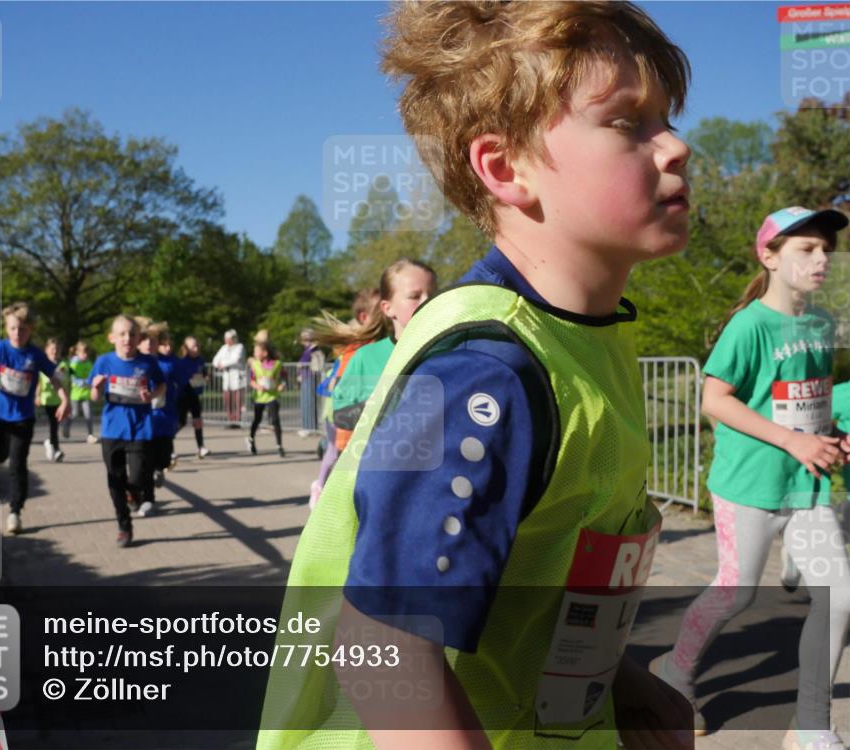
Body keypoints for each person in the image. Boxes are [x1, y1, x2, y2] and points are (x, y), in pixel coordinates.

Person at [257, 3, 696, 749]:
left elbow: (538, 582)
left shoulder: (584, 341)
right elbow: (382, 653)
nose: (677, 147)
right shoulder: (485, 375)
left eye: (668, 118)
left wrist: (623, 685)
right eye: (628, 122)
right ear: (504, 168)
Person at [651, 206, 850, 749]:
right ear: (769, 257)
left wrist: (831, 434)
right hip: (748, 486)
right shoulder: (749, 325)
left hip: (806, 486)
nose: (822, 259)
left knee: (838, 597)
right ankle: (675, 672)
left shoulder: (821, 323)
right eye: (806, 248)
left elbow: (806, 401)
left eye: (827, 250)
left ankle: (810, 725)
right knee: (735, 594)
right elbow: (714, 400)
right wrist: (791, 440)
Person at [0, 303, 69, 535]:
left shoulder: (35, 354)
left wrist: (64, 399)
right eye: (13, 328)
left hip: (23, 417)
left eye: (23, 329)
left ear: (31, 330)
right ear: (6, 329)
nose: (17, 333)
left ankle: (15, 512)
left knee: (17, 465)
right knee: (0, 457)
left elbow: (54, 377)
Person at [330, 260, 437, 453]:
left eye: (433, 294)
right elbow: (340, 416)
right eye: (414, 296)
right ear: (388, 308)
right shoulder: (366, 357)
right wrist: (385, 404)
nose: (427, 302)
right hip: (382, 462)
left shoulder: (451, 352)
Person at [90, 315, 166, 546]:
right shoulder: (104, 361)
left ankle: (133, 492)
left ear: (138, 338)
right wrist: (96, 388)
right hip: (112, 430)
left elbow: (161, 385)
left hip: (140, 428)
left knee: (137, 476)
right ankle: (124, 526)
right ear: (111, 338)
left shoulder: (147, 362)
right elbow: (94, 396)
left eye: (132, 334)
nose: (127, 339)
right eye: (122, 334)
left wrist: (150, 396)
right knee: (115, 481)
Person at [308, 288, 380, 508]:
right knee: (335, 454)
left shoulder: (383, 345)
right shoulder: (356, 351)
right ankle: (321, 488)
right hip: (344, 419)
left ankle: (323, 487)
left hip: (367, 425)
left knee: (334, 454)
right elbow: (343, 392)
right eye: (381, 309)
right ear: (364, 317)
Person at [145, 322, 180, 488]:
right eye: (145, 340)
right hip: (144, 415)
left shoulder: (168, 362)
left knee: (164, 455)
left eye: (153, 341)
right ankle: (143, 489)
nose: (149, 344)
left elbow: (182, 379)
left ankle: (159, 468)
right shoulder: (135, 361)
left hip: (164, 413)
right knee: (142, 454)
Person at [247, 341, 286, 457]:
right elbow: (251, 381)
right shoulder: (255, 365)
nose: (254, 353)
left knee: (275, 420)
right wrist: (258, 386)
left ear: (265, 353)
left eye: (256, 351)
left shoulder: (277, 364)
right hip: (259, 397)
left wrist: (282, 385)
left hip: (272, 396)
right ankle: (251, 439)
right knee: (257, 419)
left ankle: (279, 445)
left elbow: (284, 377)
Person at [176, 336, 210, 459]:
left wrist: (206, 377)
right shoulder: (182, 362)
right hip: (183, 395)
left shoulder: (200, 360)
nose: (196, 349)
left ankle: (201, 447)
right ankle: (166, 442)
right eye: (193, 347)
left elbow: (204, 373)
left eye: (197, 346)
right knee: (181, 422)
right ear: (186, 349)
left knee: (198, 420)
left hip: (195, 395)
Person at [36, 338, 69, 463]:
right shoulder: (43, 365)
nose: (55, 351)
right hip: (46, 399)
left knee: (55, 425)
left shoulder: (64, 365)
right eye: (52, 349)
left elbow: (66, 382)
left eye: (57, 349)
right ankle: (55, 448)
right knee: (53, 425)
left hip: (59, 400)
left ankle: (52, 445)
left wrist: (67, 398)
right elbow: (38, 382)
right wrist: (37, 396)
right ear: (46, 350)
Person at [296, 329, 327, 438]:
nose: (305, 342)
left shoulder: (313, 350)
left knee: (308, 402)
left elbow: (303, 362)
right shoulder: (308, 350)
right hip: (306, 378)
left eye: (307, 339)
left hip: (310, 378)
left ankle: (310, 428)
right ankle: (308, 427)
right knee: (306, 402)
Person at [213, 329, 247, 427]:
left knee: (237, 400)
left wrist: (222, 364)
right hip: (227, 378)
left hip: (237, 377)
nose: (227, 341)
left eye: (229, 338)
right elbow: (215, 360)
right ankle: (230, 420)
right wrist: (219, 364)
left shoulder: (239, 347)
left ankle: (237, 420)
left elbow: (235, 359)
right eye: (226, 338)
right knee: (228, 400)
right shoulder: (224, 348)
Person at [65, 341, 97, 444]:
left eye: (86, 353)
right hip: (75, 394)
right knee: (74, 414)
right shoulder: (74, 363)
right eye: (83, 353)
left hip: (86, 394)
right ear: (77, 353)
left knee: (88, 415)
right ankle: (66, 426)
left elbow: (92, 375)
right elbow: (71, 375)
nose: (85, 355)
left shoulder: (89, 363)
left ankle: (90, 435)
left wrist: (91, 383)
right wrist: (79, 382)